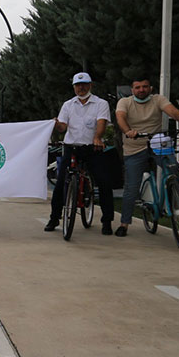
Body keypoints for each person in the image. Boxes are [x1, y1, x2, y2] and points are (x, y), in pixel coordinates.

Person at [114, 75, 179, 237]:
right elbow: (120, 118)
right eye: (138, 87)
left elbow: (173, 112)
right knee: (131, 188)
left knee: (173, 170)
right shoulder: (125, 102)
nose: (141, 90)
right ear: (132, 90)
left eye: (145, 86)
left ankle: (175, 199)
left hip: (157, 143)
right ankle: (124, 223)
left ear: (150, 88)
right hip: (134, 146)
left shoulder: (158, 99)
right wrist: (128, 131)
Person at [44, 72, 114, 235]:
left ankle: (107, 221)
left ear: (90, 85)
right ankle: (54, 218)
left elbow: (101, 123)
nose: (81, 88)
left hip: (92, 148)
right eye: (78, 85)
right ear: (74, 86)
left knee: (104, 182)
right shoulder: (68, 105)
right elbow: (63, 127)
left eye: (84, 84)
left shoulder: (100, 103)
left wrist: (97, 137)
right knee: (61, 182)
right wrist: (56, 124)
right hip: (71, 147)